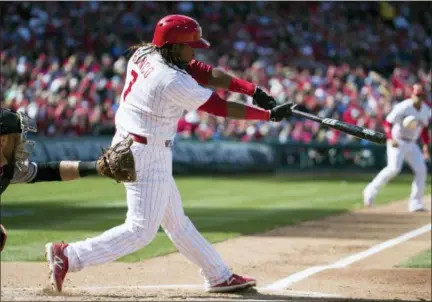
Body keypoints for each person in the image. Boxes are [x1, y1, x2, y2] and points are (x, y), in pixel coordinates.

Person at [44, 14, 293, 294]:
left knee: (175, 220)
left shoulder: (146, 52)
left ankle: (218, 274)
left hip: (136, 142)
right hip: (144, 152)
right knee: (141, 230)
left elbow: (202, 71)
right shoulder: (170, 80)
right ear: (174, 46)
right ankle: (69, 255)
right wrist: (267, 115)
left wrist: (252, 90)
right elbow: (219, 108)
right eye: (190, 45)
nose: (194, 50)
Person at [0, 108, 136, 252]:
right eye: (17, 138)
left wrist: (96, 167)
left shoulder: (9, 169)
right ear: (3, 141)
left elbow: (50, 171)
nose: (22, 143)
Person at [363, 84, 431, 212]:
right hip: (397, 141)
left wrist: (426, 146)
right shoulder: (403, 106)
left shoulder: (426, 109)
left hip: (412, 143)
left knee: (421, 170)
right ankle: (369, 192)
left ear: (424, 96)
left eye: (421, 95)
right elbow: (387, 122)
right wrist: (390, 138)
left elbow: (424, 130)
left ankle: (415, 203)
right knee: (394, 169)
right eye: (417, 95)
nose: (418, 98)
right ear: (412, 95)